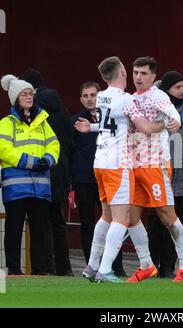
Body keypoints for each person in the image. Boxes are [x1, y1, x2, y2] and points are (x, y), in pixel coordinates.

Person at [76, 56, 165, 283]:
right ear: (123, 73)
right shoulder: (125, 100)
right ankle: (104, 270)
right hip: (118, 164)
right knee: (121, 218)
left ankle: (92, 265)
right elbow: (145, 128)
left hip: (100, 162)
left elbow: (111, 124)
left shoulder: (103, 96)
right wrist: (166, 122)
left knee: (106, 216)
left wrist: (91, 127)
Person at [126, 58, 183, 283]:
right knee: (131, 217)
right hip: (135, 165)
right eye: (135, 72)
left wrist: (174, 122)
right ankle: (146, 264)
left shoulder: (158, 96)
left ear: (153, 77)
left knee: (167, 215)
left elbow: (173, 116)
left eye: (143, 73)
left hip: (156, 164)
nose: (138, 77)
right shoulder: (131, 99)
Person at [147, 71, 183, 278]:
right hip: (157, 168)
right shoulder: (153, 104)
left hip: (182, 170)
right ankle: (152, 266)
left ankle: (169, 267)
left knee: (176, 222)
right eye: (177, 87)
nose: (182, 91)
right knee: (155, 222)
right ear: (167, 89)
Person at [0, 74, 60, 275]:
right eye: (24, 94)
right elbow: (4, 149)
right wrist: (33, 162)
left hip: (40, 186)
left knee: (40, 230)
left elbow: (54, 144)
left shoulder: (43, 122)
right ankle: (14, 269)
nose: (29, 97)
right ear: (16, 98)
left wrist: (48, 160)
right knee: (14, 230)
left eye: (31, 93)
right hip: (16, 187)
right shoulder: (7, 123)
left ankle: (39, 269)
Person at [20, 68, 73, 276]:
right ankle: (64, 267)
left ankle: (46, 267)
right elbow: (68, 142)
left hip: (42, 169)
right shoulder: (62, 107)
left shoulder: (34, 107)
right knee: (57, 220)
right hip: (61, 170)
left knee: (40, 221)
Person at [70, 81, 126, 277]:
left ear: (100, 96)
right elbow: (70, 152)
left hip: (110, 174)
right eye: (85, 96)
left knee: (115, 222)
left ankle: (116, 266)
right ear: (80, 99)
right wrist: (71, 184)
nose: (89, 99)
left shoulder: (113, 116)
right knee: (88, 223)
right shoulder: (75, 121)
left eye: (92, 95)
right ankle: (90, 265)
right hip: (84, 179)